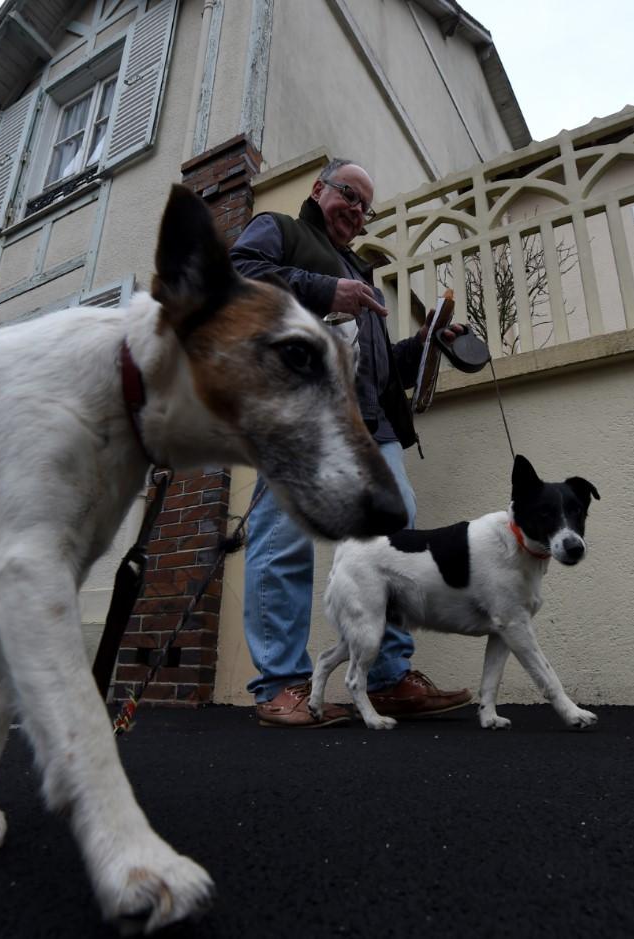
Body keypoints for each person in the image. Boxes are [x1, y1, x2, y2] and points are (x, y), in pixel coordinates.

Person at [231, 157, 473, 727]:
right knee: (285, 539)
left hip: (373, 427)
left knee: (394, 550)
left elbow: (384, 373)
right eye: (349, 194)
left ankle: (387, 679)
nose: (357, 210)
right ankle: (279, 688)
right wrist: (322, 289)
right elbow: (238, 274)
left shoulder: (359, 271)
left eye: (366, 205)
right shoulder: (281, 230)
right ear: (319, 190)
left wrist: (425, 342)